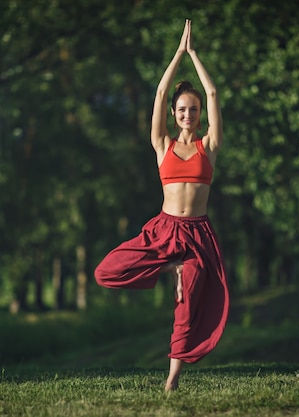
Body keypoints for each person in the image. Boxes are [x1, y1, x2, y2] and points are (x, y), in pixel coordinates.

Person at [94, 19, 229, 391]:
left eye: (194, 109)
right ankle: (168, 266)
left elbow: (214, 93)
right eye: (183, 109)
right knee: (105, 271)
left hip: (198, 235)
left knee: (186, 310)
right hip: (164, 230)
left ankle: (171, 381)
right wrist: (177, 55)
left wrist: (195, 56)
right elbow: (159, 92)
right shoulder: (163, 145)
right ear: (174, 113)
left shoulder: (209, 147)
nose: (189, 114)